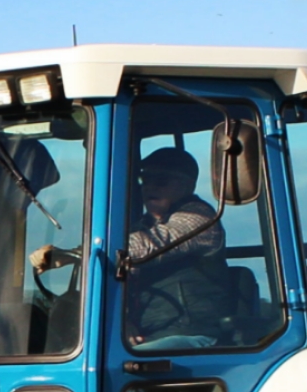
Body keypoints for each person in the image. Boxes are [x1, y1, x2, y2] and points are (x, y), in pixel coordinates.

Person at [30, 145, 233, 345]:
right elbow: (122, 280)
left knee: (135, 366)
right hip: (153, 331)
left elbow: (147, 247)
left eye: (161, 181)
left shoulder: (200, 217)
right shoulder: (142, 225)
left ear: (188, 186)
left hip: (193, 332)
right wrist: (124, 322)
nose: (150, 187)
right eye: (145, 180)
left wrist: (72, 254)